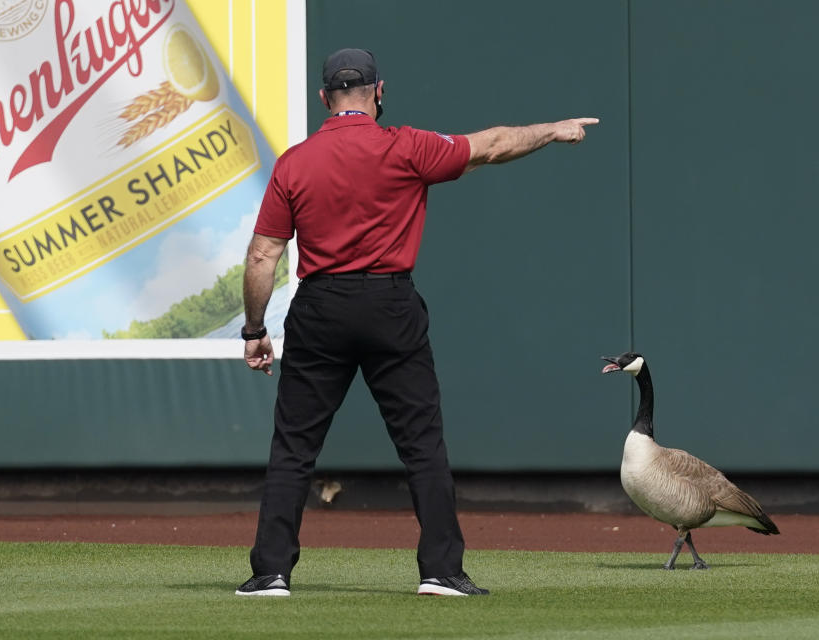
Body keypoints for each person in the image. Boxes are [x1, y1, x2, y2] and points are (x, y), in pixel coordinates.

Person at [235, 48, 598, 597]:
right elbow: (494, 145)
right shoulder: (407, 146)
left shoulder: (296, 161)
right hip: (390, 305)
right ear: (379, 93)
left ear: (323, 98)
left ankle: (270, 573)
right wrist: (554, 129)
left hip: (321, 307)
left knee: (294, 447)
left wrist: (254, 330)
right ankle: (442, 573)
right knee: (422, 445)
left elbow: (264, 256)